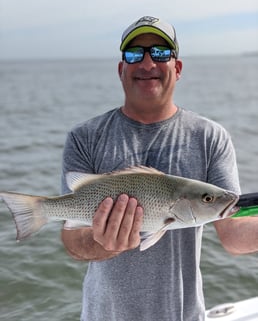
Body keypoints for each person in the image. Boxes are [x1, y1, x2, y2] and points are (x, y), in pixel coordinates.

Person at [61, 16, 258, 321]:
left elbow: (233, 234)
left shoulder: (210, 137)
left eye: (161, 53)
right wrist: (105, 244)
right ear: (120, 69)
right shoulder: (84, 137)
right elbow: (73, 241)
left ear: (177, 68)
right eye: (134, 54)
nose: (148, 63)